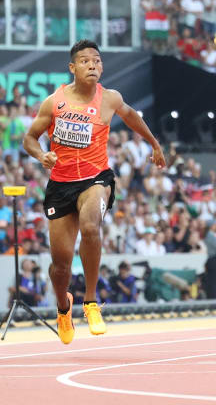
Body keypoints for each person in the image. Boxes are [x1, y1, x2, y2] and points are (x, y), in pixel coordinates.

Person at [22, 40, 166, 344]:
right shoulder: (54, 102)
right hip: (60, 184)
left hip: (95, 179)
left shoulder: (110, 99)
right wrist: (41, 156)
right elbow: (30, 139)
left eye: (97, 61)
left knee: (90, 226)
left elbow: (131, 116)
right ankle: (64, 307)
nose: (92, 65)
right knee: (60, 265)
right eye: (85, 61)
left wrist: (154, 143)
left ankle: (90, 301)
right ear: (73, 68)